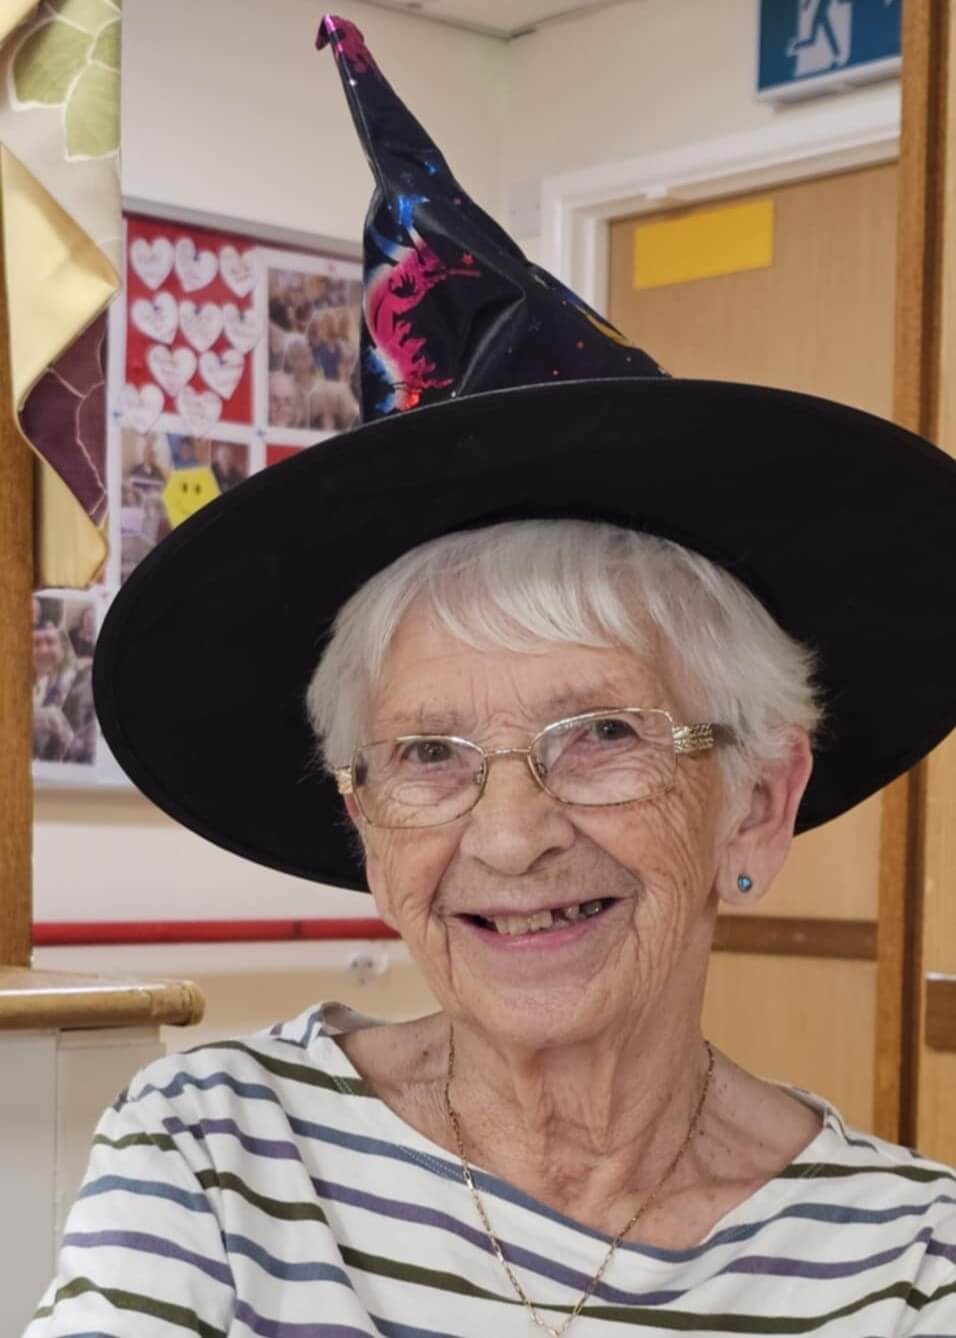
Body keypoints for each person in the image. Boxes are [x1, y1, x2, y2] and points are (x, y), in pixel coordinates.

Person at [28, 15, 956, 1337]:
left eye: (603, 734)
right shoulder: (215, 1155)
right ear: (363, 817)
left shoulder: (913, 1261)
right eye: (427, 754)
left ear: (757, 801)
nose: (512, 836)